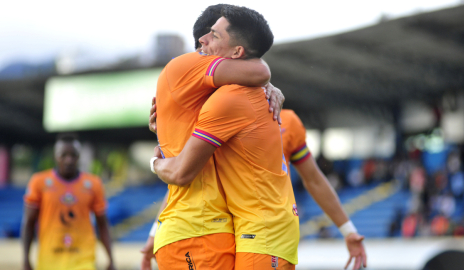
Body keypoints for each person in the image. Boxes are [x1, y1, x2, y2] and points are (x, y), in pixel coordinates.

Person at [152, 6, 299, 269]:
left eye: (214, 36)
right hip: (200, 228)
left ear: (235, 53)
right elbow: (259, 71)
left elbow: (258, 72)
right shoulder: (194, 75)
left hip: (238, 230)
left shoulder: (230, 97)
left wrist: (156, 161)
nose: (203, 42)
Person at [279, 109, 367, 269]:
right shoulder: (224, 109)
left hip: (276, 235)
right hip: (227, 229)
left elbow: (314, 179)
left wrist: (348, 230)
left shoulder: (287, 122)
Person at [21, 134, 115, 270]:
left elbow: (103, 224)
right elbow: (29, 222)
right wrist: (25, 259)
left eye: (73, 155)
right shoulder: (39, 182)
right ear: (55, 156)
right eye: (63, 155)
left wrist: (111, 259)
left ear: (78, 157)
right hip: (49, 261)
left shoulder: (93, 184)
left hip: (83, 260)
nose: (68, 160)